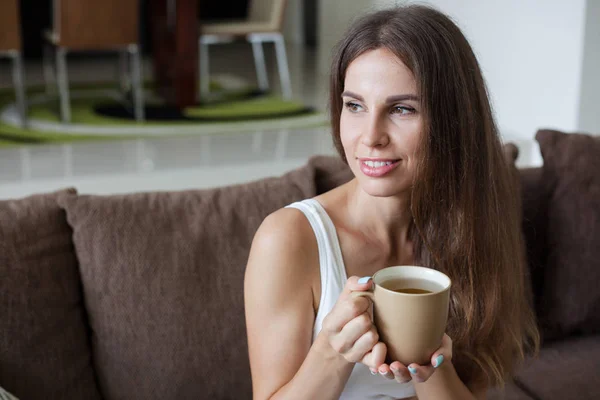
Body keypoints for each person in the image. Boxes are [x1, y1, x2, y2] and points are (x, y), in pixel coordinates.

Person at [244, 4, 539, 400]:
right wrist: (333, 353)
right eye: (355, 106)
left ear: (454, 120)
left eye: (402, 109)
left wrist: (430, 367)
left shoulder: (475, 227)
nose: (370, 136)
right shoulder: (288, 239)